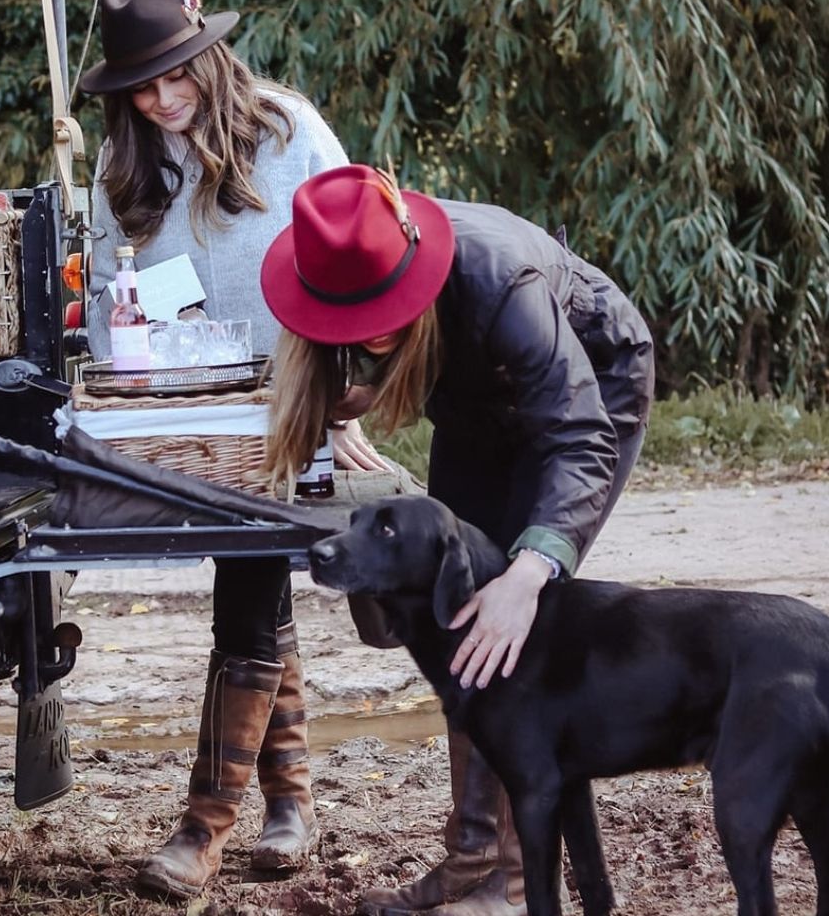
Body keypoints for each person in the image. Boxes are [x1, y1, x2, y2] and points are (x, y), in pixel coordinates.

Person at [259, 163, 655, 916]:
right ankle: (470, 858)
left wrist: (530, 570)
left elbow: (576, 436)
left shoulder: (502, 286)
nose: (365, 335)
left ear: (413, 275)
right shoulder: (345, 262)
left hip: (590, 394)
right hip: (475, 405)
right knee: (451, 620)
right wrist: (341, 407)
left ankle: (509, 886)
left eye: (380, 315)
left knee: (509, 627)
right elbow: (371, 358)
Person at [76, 0, 379, 899]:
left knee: (245, 584)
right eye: (142, 85)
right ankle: (290, 801)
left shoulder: (287, 131)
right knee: (249, 578)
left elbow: (362, 260)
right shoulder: (123, 161)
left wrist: (345, 396)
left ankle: (202, 828)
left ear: (212, 58)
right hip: (188, 421)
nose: (163, 99)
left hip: (290, 407)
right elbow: (100, 296)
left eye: (178, 75)